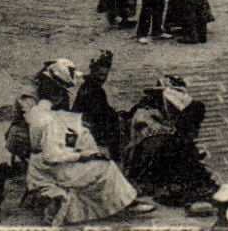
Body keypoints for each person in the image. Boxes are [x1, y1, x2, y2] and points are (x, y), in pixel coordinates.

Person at [24, 59, 150, 224]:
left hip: (39, 165)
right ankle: (126, 203)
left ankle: (119, 199)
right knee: (104, 165)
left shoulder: (37, 111)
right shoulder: (48, 120)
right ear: (56, 94)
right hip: (53, 169)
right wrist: (81, 156)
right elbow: (52, 155)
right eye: (62, 92)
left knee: (87, 140)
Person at [123, 74, 217, 208]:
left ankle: (197, 186)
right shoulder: (145, 112)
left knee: (184, 151)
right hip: (144, 162)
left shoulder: (162, 112)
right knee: (180, 150)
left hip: (157, 155)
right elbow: (152, 143)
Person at [69, 50, 122, 163]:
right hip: (88, 133)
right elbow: (99, 118)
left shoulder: (89, 86)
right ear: (93, 72)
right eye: (100, 74)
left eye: (105, 75)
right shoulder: (93, 91)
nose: (102, 79)